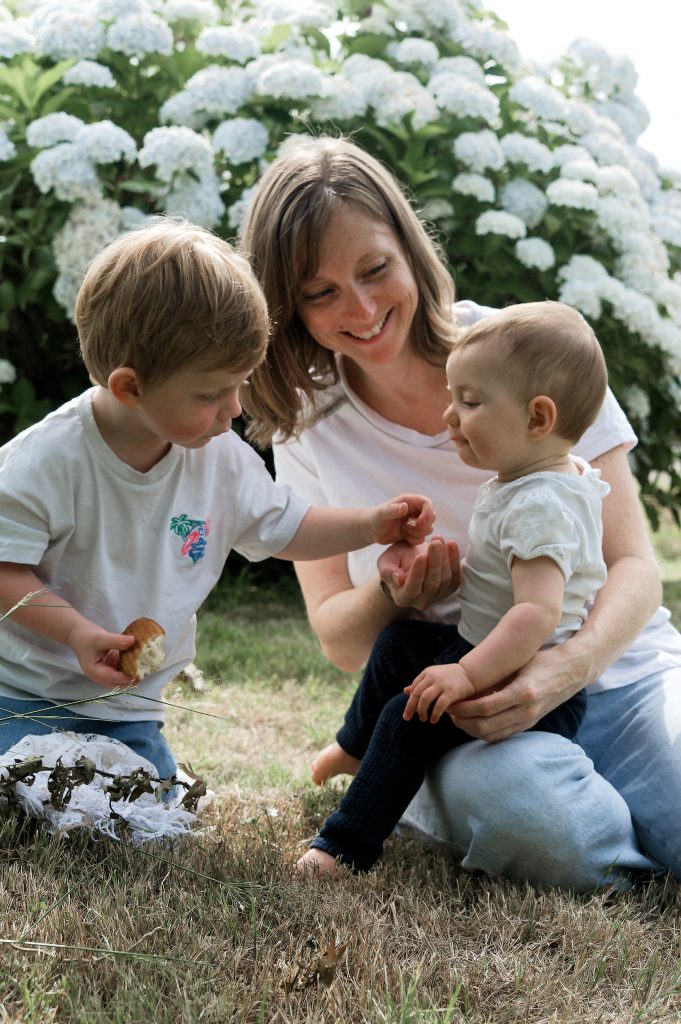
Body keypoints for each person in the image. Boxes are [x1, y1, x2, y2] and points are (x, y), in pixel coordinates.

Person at [239, 135, 681, 891]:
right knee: (534, 816)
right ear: (288, 307)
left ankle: (641, 832)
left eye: (375, 270)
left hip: (619, 672)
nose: (363, 308)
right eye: (321, 293)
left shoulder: (534, 355)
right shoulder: (308, 422)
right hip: (458, 710)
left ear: (409, 250)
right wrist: (392, 595)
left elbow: (635, 565)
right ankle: (611, 846)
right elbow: (341, 641)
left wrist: (559, 670)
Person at [0, 219, 435, 780]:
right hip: (23, 697)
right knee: (34, 795)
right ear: (129, 387)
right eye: (210, 394)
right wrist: (76, 632)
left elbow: (286, 526)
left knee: (142, 818)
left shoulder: (216, 454)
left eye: (241, 386)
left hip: (129, 712)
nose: (233, 410)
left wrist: (372, 524)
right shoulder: (49, 462)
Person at [297, 300, 609, 872]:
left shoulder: (542, 503)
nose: (449, 416)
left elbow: (536, 614)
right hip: (483, 647)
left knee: (407, 716)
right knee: (397, 646)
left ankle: (345, 846)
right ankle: (354, 746)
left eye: (469, 402)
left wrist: (464, 674)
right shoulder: (537, 476)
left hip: (518, 675)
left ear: (538, 419)